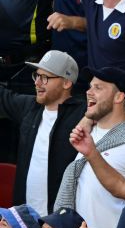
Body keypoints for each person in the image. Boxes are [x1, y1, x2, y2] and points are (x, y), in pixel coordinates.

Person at [53, 68, 125, 228]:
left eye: (98, 87)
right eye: (89, 87)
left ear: (119, 97)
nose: (89, 92)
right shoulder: (85, 133)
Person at [0, 51, 84, 215]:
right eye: (36, 76)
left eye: (45, 77)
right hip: (25, 218)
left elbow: (117, 112)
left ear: (66, 83)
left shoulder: (82, 112)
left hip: (60, 221)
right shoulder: (29, 107)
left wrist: (88, 119)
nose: (37, 83)